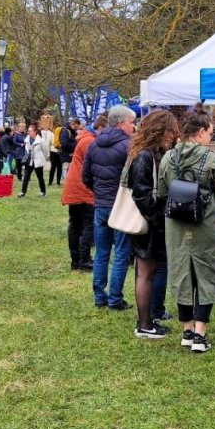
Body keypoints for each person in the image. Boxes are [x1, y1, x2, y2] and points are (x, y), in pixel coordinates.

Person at [156, 112, 215, 353]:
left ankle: (186, 330)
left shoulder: (168, 156)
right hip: (206, 224)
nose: (210, 137)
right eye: (210, 133)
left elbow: (161, 191)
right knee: (207, 273)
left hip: (177, 225)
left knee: (181, 273)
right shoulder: (211, 158)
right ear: (200, 133)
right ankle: (200, 334)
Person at [128, 109, 179, 339]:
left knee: (146, 273)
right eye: (169, 132)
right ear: (159, 130)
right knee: (145, 273)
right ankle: (145, 323)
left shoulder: (149, 154)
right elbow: (142, 195)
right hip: (148, 225)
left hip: (151, 224)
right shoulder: (144, 156)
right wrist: (159, 222)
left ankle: (147, 321)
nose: (172, 136)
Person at [85, 105, 136, 310]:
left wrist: (99, 191)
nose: (134, 127)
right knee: (121, 253)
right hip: (120, 205)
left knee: (102, 252)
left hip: (101, 205)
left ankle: (100, 296)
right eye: (132, 123)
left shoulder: (94, 144)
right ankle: (115, 298)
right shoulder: (128, 147)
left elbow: (85, 176)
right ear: (121, 123)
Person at [62, 121, 97, 271]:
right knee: (87, 225)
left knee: (75, 224)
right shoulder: (90, 141)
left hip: (74, 186)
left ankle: (76, 260)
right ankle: (84, 259)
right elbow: (93, 166)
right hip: (83, 187)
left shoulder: (83, 139)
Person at [19, 123, 52, 198]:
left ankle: (43, 192)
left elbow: (46, 151)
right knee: (26, 177)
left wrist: (43, 159)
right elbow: (26, 150)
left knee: (40, 177)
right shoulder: (27, 139)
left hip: (38, 161)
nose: (28, 132)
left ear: (35, 132)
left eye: (30, 131)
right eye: (28, 131)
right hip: (29, 161)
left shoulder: (41, 140)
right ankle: (22, 192)